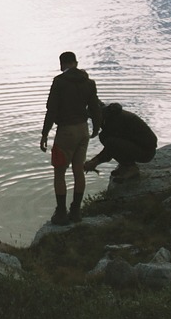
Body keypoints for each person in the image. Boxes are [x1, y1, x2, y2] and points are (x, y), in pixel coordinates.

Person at [38, 51, 103, 225]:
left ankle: (61, 214)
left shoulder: (59, 82)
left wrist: (45, 134)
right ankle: (76, 211)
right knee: (78, 170)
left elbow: (51, 110)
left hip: (66, 132)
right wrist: (96, 126)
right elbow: (95, 107)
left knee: (59, 172)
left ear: (62, 65)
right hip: (83, 130)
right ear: (76, 62)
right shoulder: (89, 83)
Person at [84, 102, 157, 181]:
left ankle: (131, 168)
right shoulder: (109, 117)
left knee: (110, 141)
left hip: (146, 152)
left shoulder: (114, 121)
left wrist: (95, 162)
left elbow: (110, 148)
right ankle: (125, 165)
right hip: (137, 145)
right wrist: (94, 161)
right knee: (103, 136)